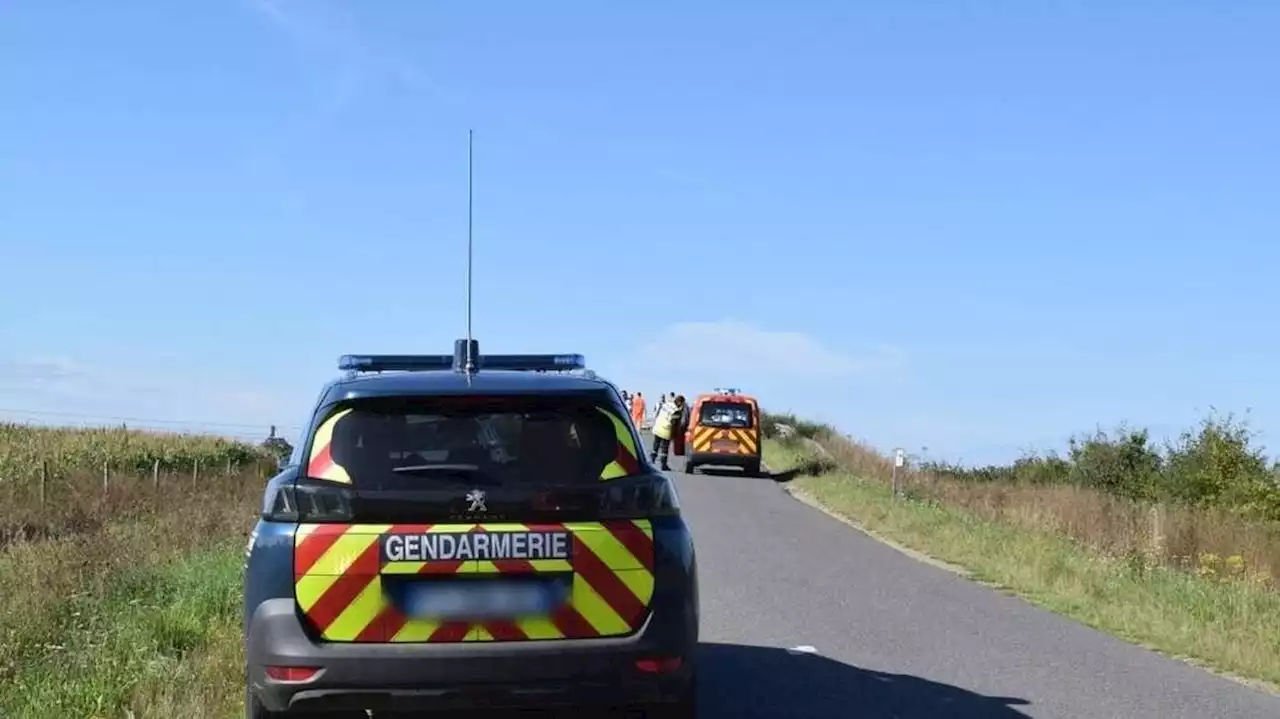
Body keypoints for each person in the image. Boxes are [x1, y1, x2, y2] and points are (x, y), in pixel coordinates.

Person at [649, 394, 686, 471]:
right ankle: (663, 464)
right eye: (682, 404)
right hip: (665, 430)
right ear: (679, 402)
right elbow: (674, 424)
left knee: (656, 445)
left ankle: (652, 459)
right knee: (664, 448)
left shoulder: (666, 405)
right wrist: (674, 435)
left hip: (657, 426)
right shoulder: (676, 411)